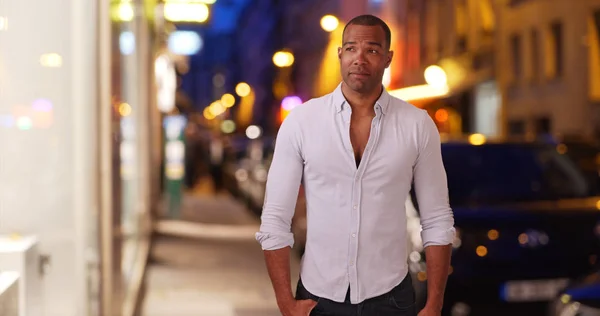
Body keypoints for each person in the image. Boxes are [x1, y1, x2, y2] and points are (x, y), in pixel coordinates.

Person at [256, 14, 455, 316]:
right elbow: (274, 219)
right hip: (318, 299)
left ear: (388, 58)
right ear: (340, 54)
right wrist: (286, 303)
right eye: (351, 48)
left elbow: (437, 219)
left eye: (372, 50)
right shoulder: (302, 122)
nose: (359, 59)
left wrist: (434, 304)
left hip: (391, 298)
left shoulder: (417, 125)